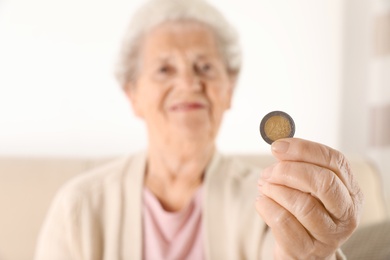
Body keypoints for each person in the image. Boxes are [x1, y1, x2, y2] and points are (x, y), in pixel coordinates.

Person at [34, 0, 363, 259]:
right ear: (133, 95)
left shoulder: (273, 200)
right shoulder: (78, 206)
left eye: (204, 67)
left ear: (228, 90)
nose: (189, 83)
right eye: (164, 69)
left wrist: (313, 255)